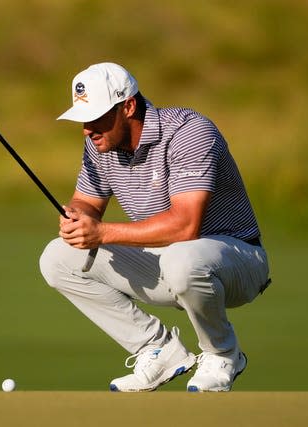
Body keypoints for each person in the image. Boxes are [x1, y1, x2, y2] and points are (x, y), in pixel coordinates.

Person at [39, 62, 271, 392]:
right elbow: (87, 203)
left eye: (96, 118)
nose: (87, 130)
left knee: (184, 259)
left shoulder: (190, 132)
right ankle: (157, 349)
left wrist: (101, 232)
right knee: (58, 257)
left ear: (128, 106)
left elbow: (185, 226)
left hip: (237, 261)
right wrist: (75, 216)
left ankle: (223, 353)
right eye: (82, 120)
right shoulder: (100, 142)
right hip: (169, 261)